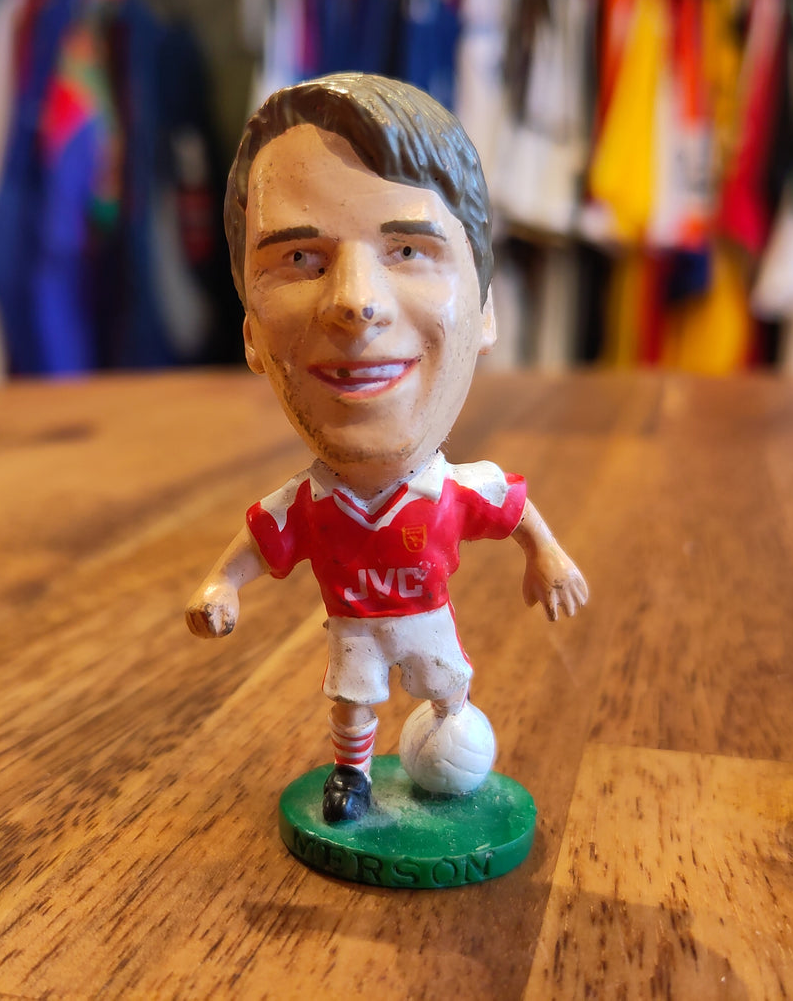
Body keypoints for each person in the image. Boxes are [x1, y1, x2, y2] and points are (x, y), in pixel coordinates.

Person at [186, 73, 587, 822]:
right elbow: (257, 543)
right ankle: (353, 777)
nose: (354, 301)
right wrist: (221, 586)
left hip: (426, 618)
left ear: (485, 310)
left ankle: (452, 738)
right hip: (354, 627)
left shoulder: (452, 491)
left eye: (406, 249)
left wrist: (550, 557)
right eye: (299, 260)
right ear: (250, 334)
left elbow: (513, 511)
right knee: (352, 701)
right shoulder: (311, 503)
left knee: (448, 688)